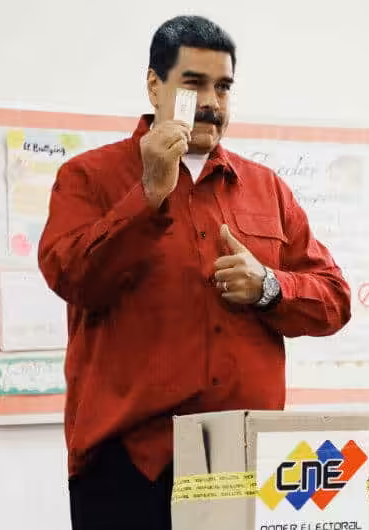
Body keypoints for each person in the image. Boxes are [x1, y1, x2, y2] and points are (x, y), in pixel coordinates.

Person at [37, 15, 351, 530]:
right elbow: (73, 278)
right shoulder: (88, 177)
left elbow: (335, 299)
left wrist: (270, 287)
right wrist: (149, 195)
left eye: (223, 87)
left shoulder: (266, 188)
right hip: (129, 466)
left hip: (244, 466)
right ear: (154, 85)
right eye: (194, 83)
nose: (212, 102)